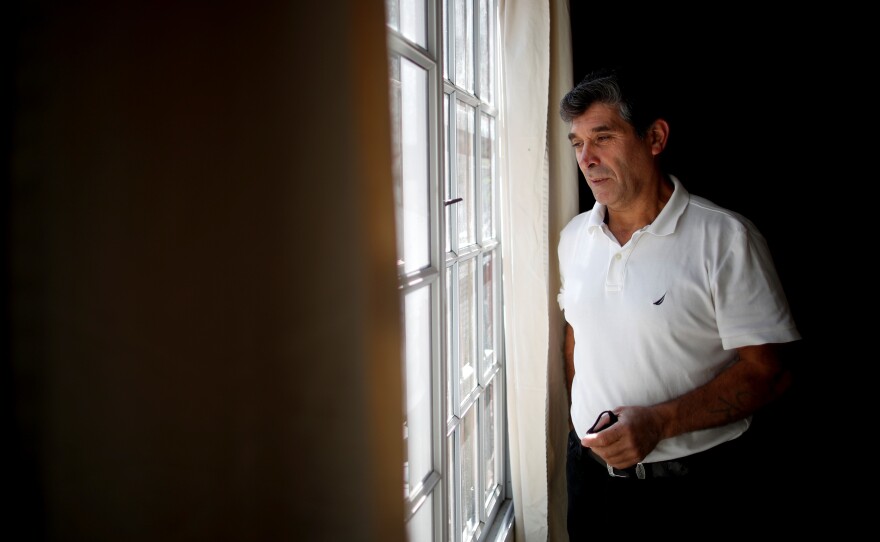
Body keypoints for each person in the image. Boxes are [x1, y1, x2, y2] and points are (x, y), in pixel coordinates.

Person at [556, 67, 801, 531]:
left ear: (654, 137)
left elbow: (771, 373)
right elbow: (578, 338)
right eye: (576, 143)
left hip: (695, 488)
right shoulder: (574, 237)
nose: (586, 158)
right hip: (590, 482)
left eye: (602, 137)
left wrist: (659, 424)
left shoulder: (726, 239)